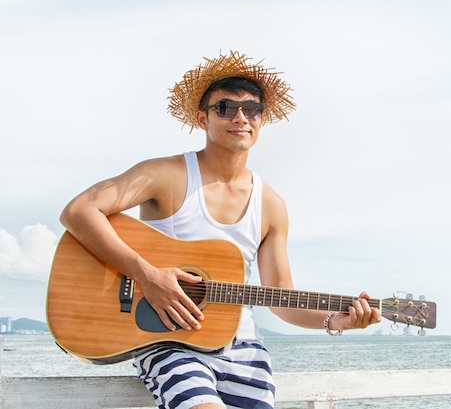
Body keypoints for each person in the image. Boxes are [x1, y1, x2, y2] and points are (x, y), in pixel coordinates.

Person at [59, 50, 382, 409]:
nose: (240, 117)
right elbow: (79, 211)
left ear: (262, 119)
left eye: (252, 109)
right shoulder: (165, 175)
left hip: (244, 351)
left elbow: (281, 298)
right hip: (170, 342)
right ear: (203, 117)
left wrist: (333, 320)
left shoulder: (271, 205)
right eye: (225, 107)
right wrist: (147, 275)